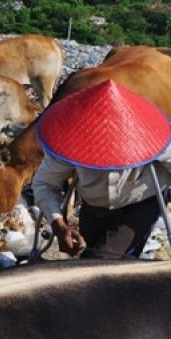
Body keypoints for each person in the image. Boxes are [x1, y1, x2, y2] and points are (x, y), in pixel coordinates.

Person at [33, 79, 171, 259]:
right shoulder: (71, 139)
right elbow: (44, 184)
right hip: (94, 208)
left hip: (138, 205)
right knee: (90, 253)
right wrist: (59, 224)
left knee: (99, 262)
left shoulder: (151, 136)